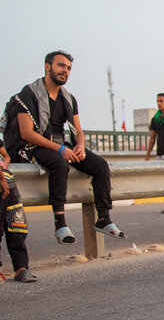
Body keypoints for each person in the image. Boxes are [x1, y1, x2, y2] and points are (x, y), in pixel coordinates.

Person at [7, 51, 125, 243]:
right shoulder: (28, 94)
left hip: (62, 144)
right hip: (32, 145)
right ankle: (60, 224)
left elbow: (78, 130)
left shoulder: (68, 98)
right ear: (47, 66)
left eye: (69, 68)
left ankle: (104, 218)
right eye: (61, 66)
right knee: (60, 164)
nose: (66, 71)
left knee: (101, 166)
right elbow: (27, 133)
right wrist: (60, 149)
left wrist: (79, 145)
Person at [0, 140, 34, 283]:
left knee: (16, 225)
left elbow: (6, 155)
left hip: (8, 183)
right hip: (2, 183)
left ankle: (21, 267)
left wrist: (3, 165)